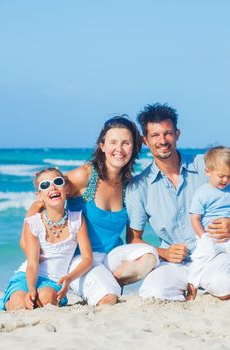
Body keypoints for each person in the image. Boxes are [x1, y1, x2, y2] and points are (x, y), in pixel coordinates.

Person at [21, 116, 159, 306]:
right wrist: (28, 244)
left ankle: (109, 280)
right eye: (113, 142)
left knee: (149, 257)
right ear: (102, 145)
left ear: (134, 148)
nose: (119, 149)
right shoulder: (84, 176)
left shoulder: (130, 186)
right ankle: (101, 286)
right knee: (108, 300)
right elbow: (43, 200)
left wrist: (165, 252)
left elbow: (131, 238)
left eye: (126, 143)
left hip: (111, 256)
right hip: (81, 259)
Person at [126, 103, 230, 301]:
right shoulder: (138, 187)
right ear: (145, 140)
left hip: (212, 255)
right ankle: (192, 286)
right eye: (155, 135)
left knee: (224, 285)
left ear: (177, 134)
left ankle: (205, 284)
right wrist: (164, 252)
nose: (163, 141)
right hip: (173, 263)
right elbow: (133, 240)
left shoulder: (205, 165)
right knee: (152, 293)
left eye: (168, 133)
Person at [0, 168, 93, 311]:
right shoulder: (33, 223)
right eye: (45, 185)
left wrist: (68, 279)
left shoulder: (77, 219)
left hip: (54, 280)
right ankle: (8, 303)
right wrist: (31, 288)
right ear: (39, 195)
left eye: (57, 182)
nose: (52, 187)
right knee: (19, 303)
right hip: (27, 276)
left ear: (66, 189)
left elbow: (87, 259)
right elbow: (32, 264)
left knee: (45, 299)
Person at [185, 146, 230, 300]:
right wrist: (203, 236)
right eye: (221, 176)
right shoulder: (203, 192)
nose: (225, 180)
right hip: (209, 236)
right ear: (208, 171)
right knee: (199, 260)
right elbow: (194, 217)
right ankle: (192, 287)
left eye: (229, 176)